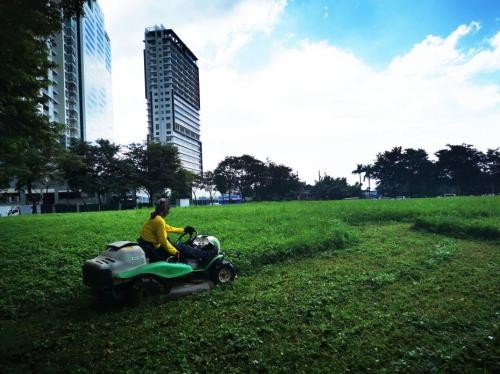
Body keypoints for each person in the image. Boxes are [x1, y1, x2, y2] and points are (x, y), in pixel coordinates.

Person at [138, 198, 209, 263]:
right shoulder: (159, 220)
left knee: (183, 246)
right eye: (168, 210)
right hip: (156, 248)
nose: (169, 212)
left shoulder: (155, 218)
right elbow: (163, 241)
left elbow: (168, 228)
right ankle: (207, 254)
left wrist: (184, 230)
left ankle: (202, 254)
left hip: (151, 246)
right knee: (184, 248)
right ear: (165, 211)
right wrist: (175, 252)